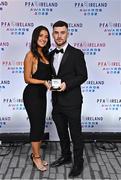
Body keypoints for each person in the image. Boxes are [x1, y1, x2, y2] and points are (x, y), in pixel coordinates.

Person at [50, 21, 88, 178]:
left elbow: (83, 76)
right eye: (56, 32)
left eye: (62, 32)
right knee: (61, 132)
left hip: (72, 102)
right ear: (53, 34)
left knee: (75, 134)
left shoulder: (77, 53)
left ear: (67, 33)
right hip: (57, 102)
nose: (59, 35)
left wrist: (67, 84)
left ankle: (78, 162)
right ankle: (66, 156)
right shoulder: (50, 54)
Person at [23, 26, 51, 171]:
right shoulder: (31, 55)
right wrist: (43, 82)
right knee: (36, 126)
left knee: (40, 126)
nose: (43, 39)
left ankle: (36, 154)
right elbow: (27, 79)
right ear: (35, 37)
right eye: (41, 35)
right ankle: (36, 158)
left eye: (46, 36)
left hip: (42, 95)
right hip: (32, 95)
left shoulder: (46, 55)